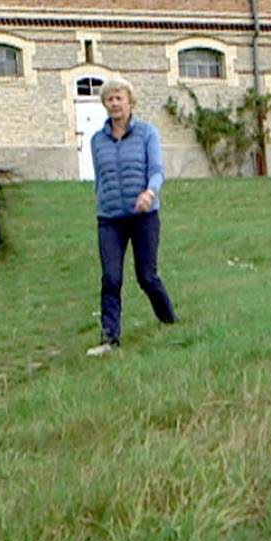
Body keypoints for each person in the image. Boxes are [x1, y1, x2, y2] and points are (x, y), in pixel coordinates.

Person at [85, 78, 176, 356]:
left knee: (146, 276)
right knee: (110, 278)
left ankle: (169, 321)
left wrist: (150, 192)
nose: (114, 104)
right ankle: (109, 338)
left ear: (130, 102)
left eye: (119, 98)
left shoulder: (147, 133)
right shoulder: (97, 140)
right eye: (109, 99)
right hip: (110, 219)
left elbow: (157, 170)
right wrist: (102, 200)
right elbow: (99, 177)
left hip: (143, 216)